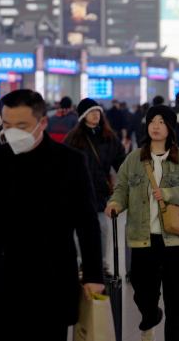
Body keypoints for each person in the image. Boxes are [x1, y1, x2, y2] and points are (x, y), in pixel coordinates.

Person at [0, 90, 104, 340]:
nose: (13, 132)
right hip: (0, 282)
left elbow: (88, 224)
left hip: (49, 282)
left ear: (42, 122)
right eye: (7, 124)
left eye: (22, 125)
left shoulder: (70, 162)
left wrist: (93, 276)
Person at [106, 105, 179, 341]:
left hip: (176, 239)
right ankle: (151, 316)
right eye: (152, 121)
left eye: (162, 121)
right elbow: (121, 190)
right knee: (142, 292)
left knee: (176, 298)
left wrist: (170, 194)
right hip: (143, 238)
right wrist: (115, 204)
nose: (156, 126)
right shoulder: (133, 159)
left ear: (170, 127)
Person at [64, 98, 127, 272]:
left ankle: (101, 262)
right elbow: (63, 164)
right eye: (91, 111)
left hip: (99, 191)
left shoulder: (109, 137)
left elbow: (122, 162)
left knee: (102, 227)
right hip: (78, 191)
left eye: (98, 111)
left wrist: (130, 181)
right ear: (83, 115)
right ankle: (80, 261)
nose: (96, 114)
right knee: (79, 230)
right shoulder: (73, 138)